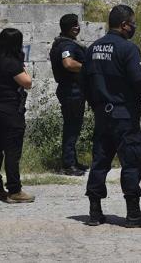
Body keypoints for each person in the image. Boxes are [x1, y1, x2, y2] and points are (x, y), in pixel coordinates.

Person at [82, 5, 141, 228]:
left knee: (100, 162)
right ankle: (133, 213)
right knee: (132, 162)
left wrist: (96, 106)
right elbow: (137, 80)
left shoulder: (92, 48)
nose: (134, 27)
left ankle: (94, 212)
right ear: (125, 24)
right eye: (133, 23)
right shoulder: (128, 49)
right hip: (124, 116)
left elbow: (84, 83)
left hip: (102, 116)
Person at [0, 28, 35, 204]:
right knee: (12, 151)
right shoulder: (12, 63)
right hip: (11, 111)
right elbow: (27, 83)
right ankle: (14, 190)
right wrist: (24, 67)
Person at [50, 14, 87, 177]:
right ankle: (68, 164)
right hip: (71, 90)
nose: (77, 27)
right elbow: (68, 63)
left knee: (74, 127)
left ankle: (72, 161)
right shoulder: (66, 45)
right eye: (75, 25)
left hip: (73, 90)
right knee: (72, 127)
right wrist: (88, 67)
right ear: (69, 28)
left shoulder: (65, 43)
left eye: (78, 24)